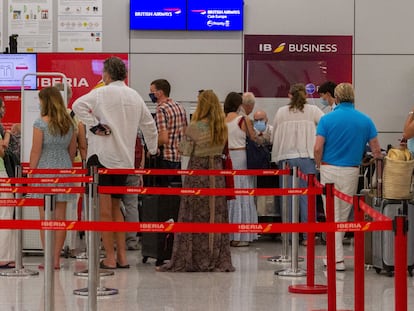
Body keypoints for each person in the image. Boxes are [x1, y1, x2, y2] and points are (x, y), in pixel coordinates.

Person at [72, 56, 158, 269]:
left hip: (102, 158)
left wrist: (95, 125)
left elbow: (77, 105)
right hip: (124, 160)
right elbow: (149, 125)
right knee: (117, 208)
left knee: (104, 210)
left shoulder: (101, 92)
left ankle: (109, 257)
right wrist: (153, 149)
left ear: (107, 74)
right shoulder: (134, 96)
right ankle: (122, 256)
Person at [156, 89, 234, 272]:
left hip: (198, 174)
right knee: (215, 216)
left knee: (193, 215)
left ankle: (194, 257)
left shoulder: (195, 126)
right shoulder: (221, 128)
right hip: (216, 174)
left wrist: (181, 141)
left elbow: (185, 150)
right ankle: (215, 257)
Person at [314, 82, 382, 271]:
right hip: (351, 171)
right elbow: (376, 150)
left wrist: (317, 165)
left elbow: (318, 147)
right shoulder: (365, 120)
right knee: (343, 216)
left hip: (328, 169)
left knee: (331, 215)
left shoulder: (326, 120)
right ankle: (336, 258)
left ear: (336, 97)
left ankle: (335, 258)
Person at [29, 87, 77, 269]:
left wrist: (32, 174)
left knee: (45, 219)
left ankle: (48, 257)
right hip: (64, 168)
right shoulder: (68, 123)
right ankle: (56, 259)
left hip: (44, 170)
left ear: (46, 102)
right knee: (60, 218)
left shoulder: (40, 123)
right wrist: (66, 165)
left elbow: (36, 151)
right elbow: (72, 151)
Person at [271, 83, 324, 245]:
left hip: (286, 158)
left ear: (289, 95)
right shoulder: (314, 111)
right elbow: (325, 128)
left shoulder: (281, 112)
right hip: (307, 158)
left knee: (287, 196)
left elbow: (273, 137)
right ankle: (308, 236)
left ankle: (288, 235)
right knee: (307, 198)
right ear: (306, 96)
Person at [54, 82, 87, 257]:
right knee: (73, 207)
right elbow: (82, 146)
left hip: (51, 166)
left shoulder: (47, 116)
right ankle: (72, 247)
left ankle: (54, 250)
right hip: (73, 165)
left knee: (54, 207)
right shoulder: (75, 116)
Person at [224, 92, 258, 247]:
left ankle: (231, 234)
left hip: (229, 158)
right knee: (244, 193)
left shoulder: (222, 121)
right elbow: (253, 137)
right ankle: (243, 235)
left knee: (231, 194)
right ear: (239, 104)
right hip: (242, 157)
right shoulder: (243, 120)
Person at [149, 79, 187, 186]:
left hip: (166, 158)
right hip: (179, 159)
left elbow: (164, 138)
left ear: (159, 93)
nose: (150, 94)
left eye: (152, 91)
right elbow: (186, 132)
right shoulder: (180, 107)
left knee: (164, 196)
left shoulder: (161, 110)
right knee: (176, 194)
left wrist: (152, 147)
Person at [0, 97, 16, 268]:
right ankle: (3, 256)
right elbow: (2, 150)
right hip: (1, 173)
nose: (4, 109)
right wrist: (8, 133)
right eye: (2, 107)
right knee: (5, 213)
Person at [122, 130, 145, 250]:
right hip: (134, 168)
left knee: (113, 205)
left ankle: (114, 240)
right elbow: (142, 150)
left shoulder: (114, 122)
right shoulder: (137, 127)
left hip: (117, 167)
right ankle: (132, 240)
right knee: (132, 205)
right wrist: (140, 171)